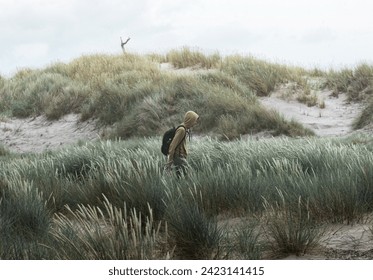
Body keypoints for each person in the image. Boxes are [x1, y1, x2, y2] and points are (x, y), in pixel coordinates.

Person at [166, 111, 199, 178]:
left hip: (180, 157)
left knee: (181, 178)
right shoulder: (182, 130)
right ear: (190, 120)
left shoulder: (184, 129)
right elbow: (172, 146)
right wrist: (169, 163)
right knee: (188, 177)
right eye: (194, 121)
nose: (195, 123)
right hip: (178, 157)